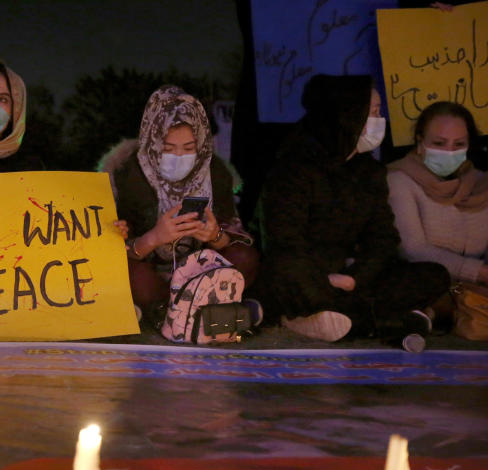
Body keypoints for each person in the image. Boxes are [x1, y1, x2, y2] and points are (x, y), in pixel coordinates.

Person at [249, 74, 449, 343]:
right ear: (348, 115)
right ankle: (379, 320)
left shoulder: (369, 171)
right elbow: (285, 241)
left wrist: (354, 278)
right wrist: (325, 278)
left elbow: (383, 240)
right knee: (289, 276)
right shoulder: (294, 166)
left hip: (349, 277)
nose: (380, 120)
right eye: (374, 112)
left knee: (434, 275)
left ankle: (333, 317)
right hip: (307, 274)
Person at [99, 85, 259, 319]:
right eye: (169, 149)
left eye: (188, 148)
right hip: (150, 271)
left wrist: (214, 236)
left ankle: (187, 311)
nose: (179, 158)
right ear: (153, 141)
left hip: (198, 272)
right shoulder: (126, 174)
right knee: (131, 276)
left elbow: (234, 235)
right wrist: (154, 237)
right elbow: (111, 248)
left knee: (245, 258)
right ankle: (190, 311)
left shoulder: (214, 172)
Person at [388, 101, 488, 322]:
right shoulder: (399, 180)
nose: (449, 152)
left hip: (478, 292)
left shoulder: (482, 184)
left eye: (458, 144)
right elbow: (412, 250)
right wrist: (480, 272)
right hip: (426, 289)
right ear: (420, 141)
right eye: (439, 143)